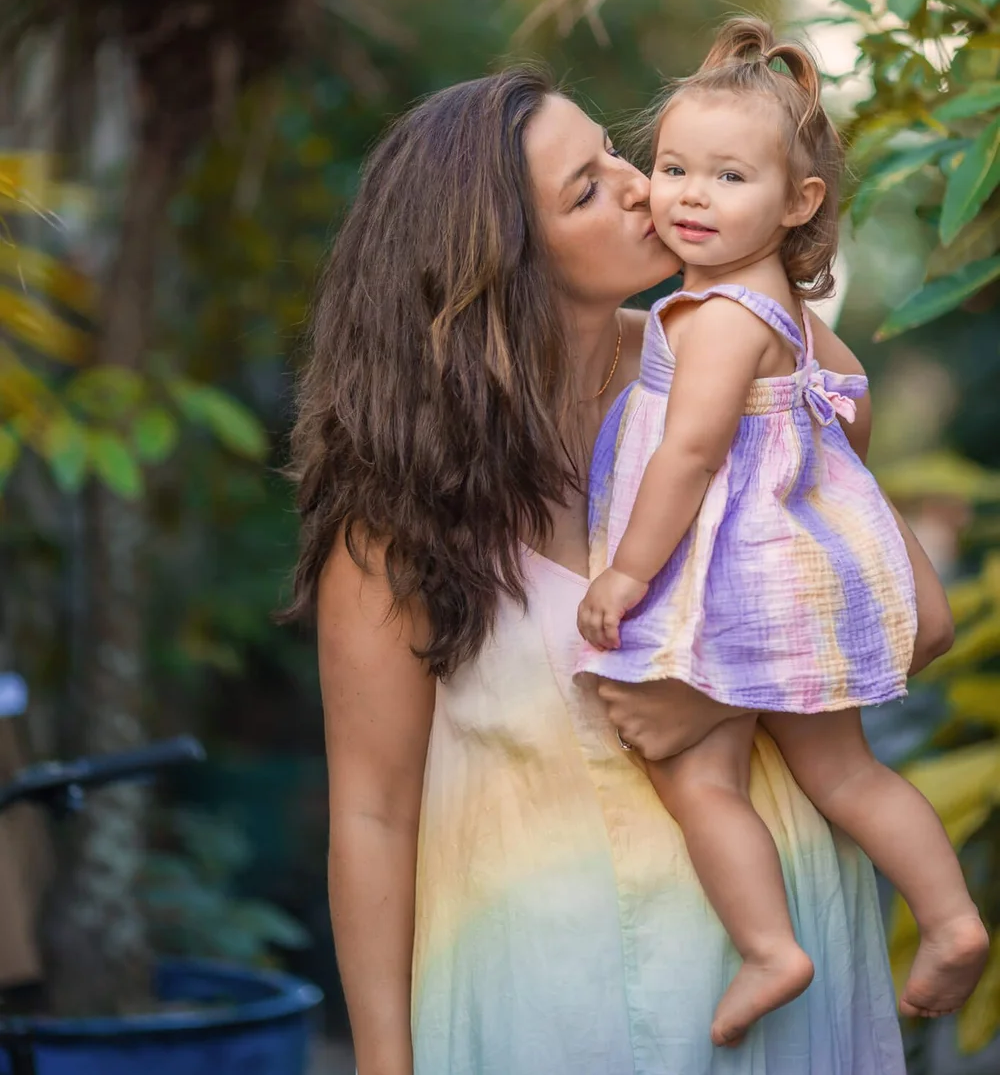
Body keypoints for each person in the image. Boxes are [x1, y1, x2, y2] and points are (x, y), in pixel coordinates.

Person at [289, 62, 955, 1075]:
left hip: (783, 981)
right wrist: (384, 1065)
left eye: (613, 150)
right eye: (588, 186)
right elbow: (372, 815)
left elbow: (910, 613)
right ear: (500, 258)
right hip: (547, 1001)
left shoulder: (732, 372)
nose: (642, 182)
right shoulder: (396, 515)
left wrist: (712, 697)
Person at [576, 19, 988, 1048]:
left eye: (727, 176)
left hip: (740, 588)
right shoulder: (783, 310)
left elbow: (688, 455)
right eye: (672, 167)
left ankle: (769, 947)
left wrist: (628, 574)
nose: (689, 194)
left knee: (699, 777)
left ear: (798, 203)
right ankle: (948, 920)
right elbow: (845, 403)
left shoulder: (715, 316)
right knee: (846, 775)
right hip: (800, 575)